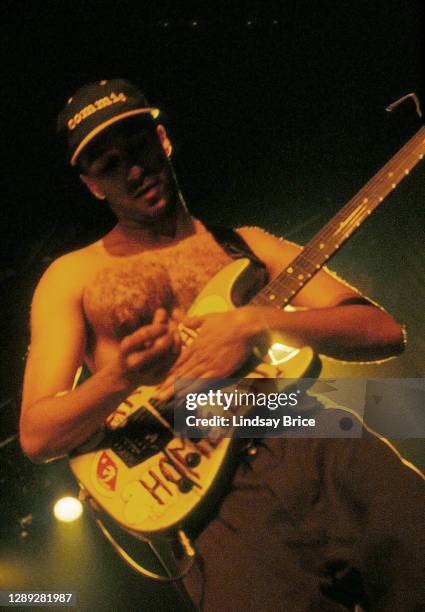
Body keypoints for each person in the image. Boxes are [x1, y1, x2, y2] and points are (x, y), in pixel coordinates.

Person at [20, 79, 424, 611]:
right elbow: (37, 433)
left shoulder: (247, 244)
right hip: (212, 513)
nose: (132, 170)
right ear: (93, 185)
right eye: (108, 163)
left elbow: (382, 332)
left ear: (162, 140)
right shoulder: (71, 277)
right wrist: (124, 377)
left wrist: (258, 323)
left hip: (308, 429)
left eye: (138, 146)